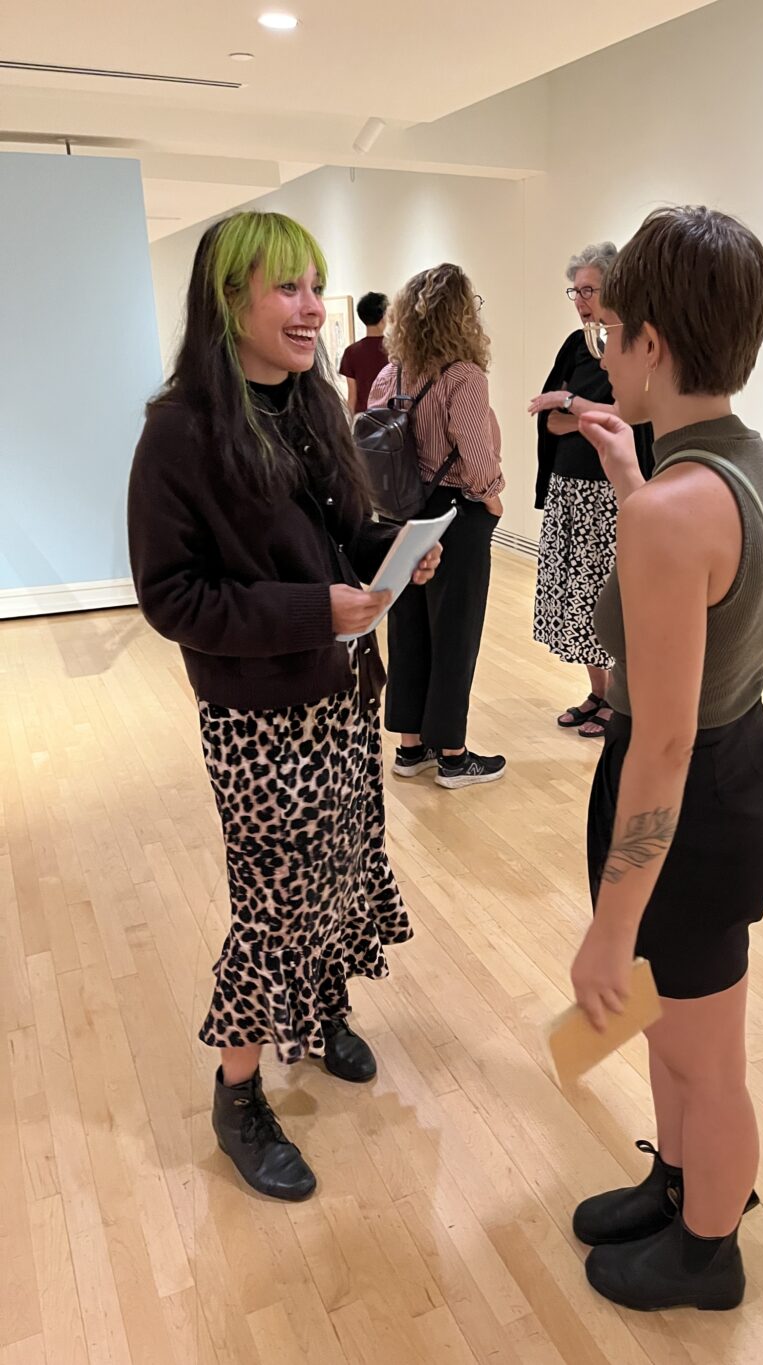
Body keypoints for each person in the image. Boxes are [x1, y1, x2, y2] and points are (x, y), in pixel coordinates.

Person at [127, 211, 441, 1202]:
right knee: (272, 903)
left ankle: (324, 1010)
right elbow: (172, 597)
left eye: (316, 285)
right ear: (228, 301)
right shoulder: (179, 432)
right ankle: (238, 1093)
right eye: (288, 289)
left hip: (344, 690)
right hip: (260, 716)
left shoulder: (314, 405)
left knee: (344, 863)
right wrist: (316, 608)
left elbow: (341, 533)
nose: (312, 308)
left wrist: (394, 549)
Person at [568, 206, 763, 1312]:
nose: (600, 349)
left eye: (610, 329)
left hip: (690, 804)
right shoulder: (757, 469)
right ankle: (676, 1185)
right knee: (681, 1025)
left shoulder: (673, 508)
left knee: (706, 1056)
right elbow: (705, 614)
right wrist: (632, 478)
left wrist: (608, 929)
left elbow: (659, 739)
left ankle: (710, 1247)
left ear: (651, 343)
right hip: (738, 770)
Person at [368, 264, 506, 789]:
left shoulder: (392, 374)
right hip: (455, 515)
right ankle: (453, 754)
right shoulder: (463, 375)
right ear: (462, 314)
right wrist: (492, 500)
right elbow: (476, 454)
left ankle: (410, 747)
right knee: (456, 631)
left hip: (400, 513)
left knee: (408, 629)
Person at [529, 243, 653, 738]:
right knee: (576, 600)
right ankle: (599, 693)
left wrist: (571, 403)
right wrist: (587, 413)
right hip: (570, 488)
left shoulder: (635, 342)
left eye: (589, 290)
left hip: (611, 492)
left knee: (611, 596)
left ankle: (620, 698)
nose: (580, 300)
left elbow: (631, 413)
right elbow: (551, 421)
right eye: (575, 291)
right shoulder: (575, 345)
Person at [339, 290, 389, 414]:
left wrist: (350, 427)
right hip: (391, 420)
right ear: (382, 317)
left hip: (364, 421)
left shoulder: (351, 352)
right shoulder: (396, 349)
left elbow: (352, 398)